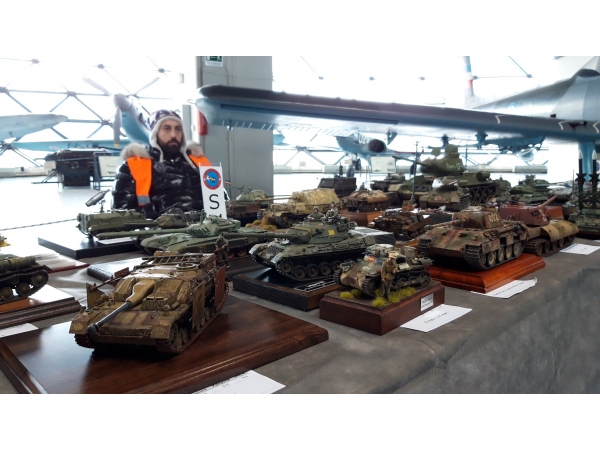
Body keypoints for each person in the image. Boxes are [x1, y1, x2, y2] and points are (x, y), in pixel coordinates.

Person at [112, 110, 212, 219]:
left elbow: (218, 196)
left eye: (178, 129)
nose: (173, 135)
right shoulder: (133, 165)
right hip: (156, 228)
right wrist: (155, 209)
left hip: (205, 226)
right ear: (155, 133)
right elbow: (120, 214)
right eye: (167, 128)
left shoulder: (199, 161)